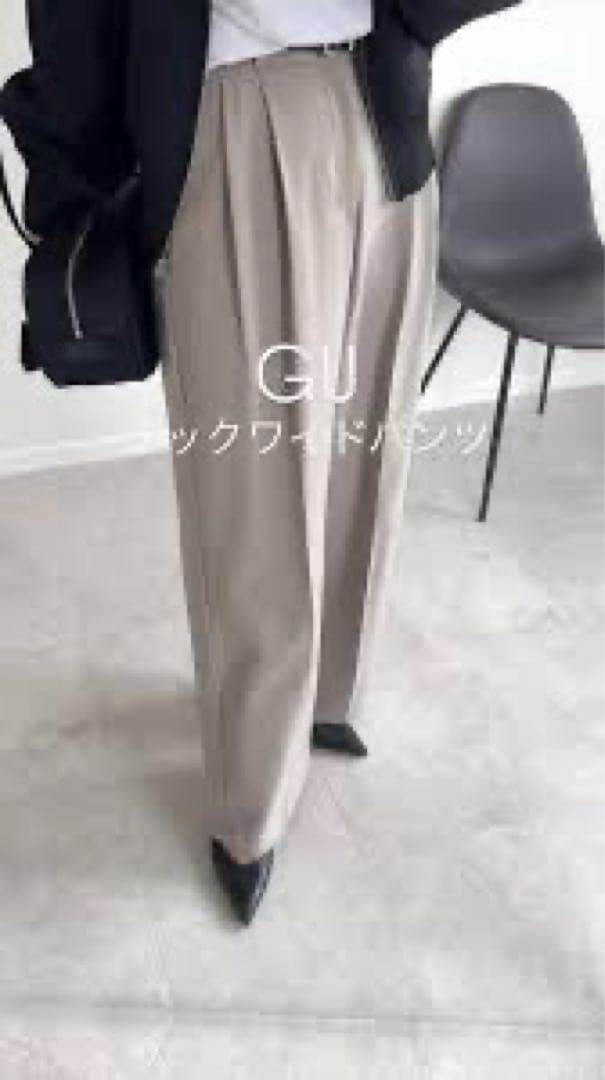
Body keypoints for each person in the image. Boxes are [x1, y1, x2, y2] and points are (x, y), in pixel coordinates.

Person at [1, 0, 521, 925]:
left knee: (365, 443)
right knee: (251, 496)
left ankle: (328, 694)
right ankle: (251, 798)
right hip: (231, 122)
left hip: (385, 106)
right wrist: (75, 187)